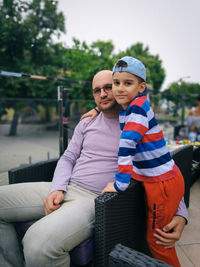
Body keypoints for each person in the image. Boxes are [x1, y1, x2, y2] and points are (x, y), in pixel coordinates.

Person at [0, 70, 187, 267]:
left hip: (96, 200)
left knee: (38, 243)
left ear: (117, 86)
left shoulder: (138, 122)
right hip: (66, 187)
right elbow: (68, 157)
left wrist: (180, 212)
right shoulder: (87, 121)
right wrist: (57, 187)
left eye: (108, 87)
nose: (103, 94)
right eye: (97, 91)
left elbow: (163, 169)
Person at [88, 58, 185, 267]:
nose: (119, 89)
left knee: (159, 241)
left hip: (161, 184)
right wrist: (96, 110)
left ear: (141, 87)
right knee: (156, 237)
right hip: (160, 180)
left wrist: (119, 183)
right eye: (116, 83)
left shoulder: (137, 108)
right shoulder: (130, 107)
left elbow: (126, 146)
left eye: (127, 83)